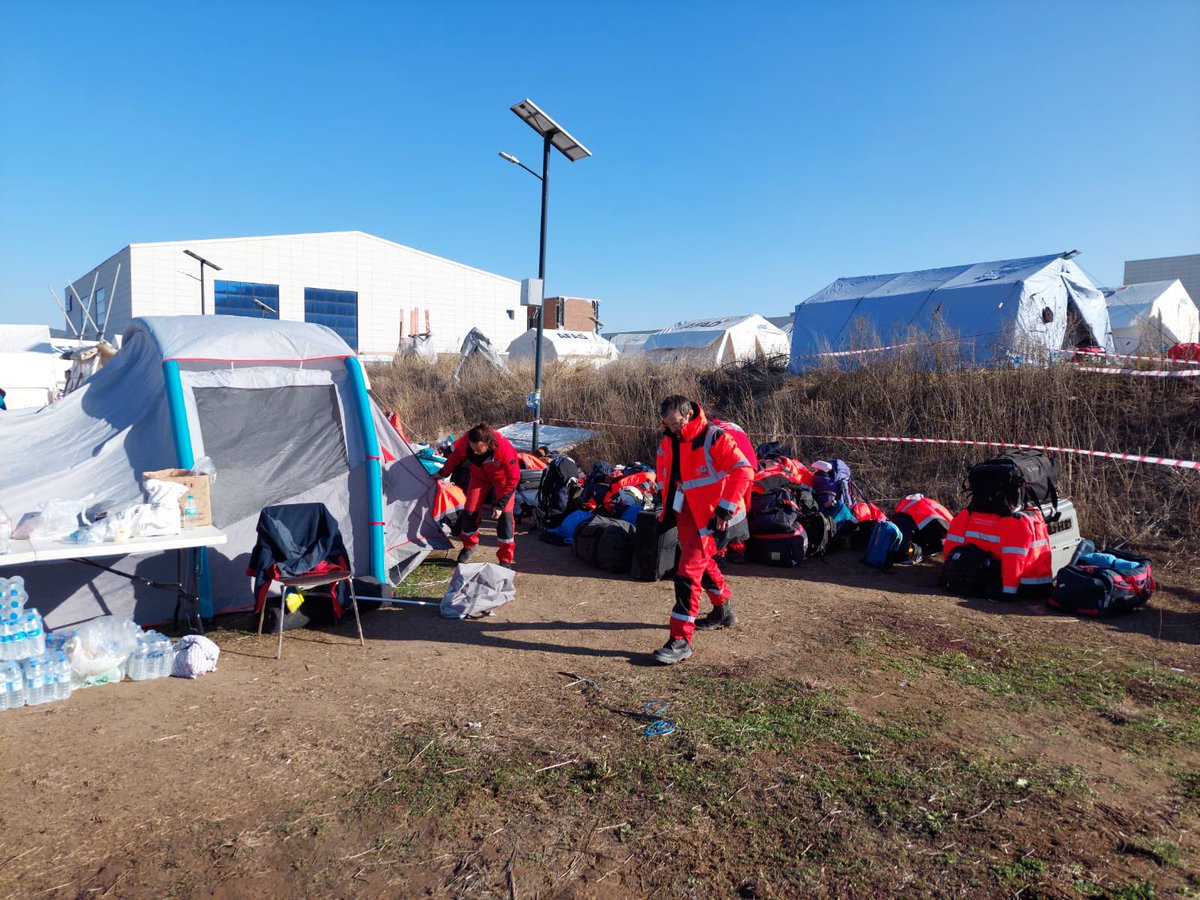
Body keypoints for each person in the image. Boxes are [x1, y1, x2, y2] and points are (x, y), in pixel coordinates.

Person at [652, 396, 754, 665]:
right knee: (701, 563)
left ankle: (680, 640)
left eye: (675, 423)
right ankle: (723, 610)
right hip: (685, 513)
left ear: (688, 415)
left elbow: (744, 470)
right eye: (666, 423)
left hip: (711, 520)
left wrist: (725, 508)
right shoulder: (669, 439)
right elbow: (663, 470)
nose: (671, 428)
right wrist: (663, 501)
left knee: (687, 573)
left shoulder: (713, 437)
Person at [435, 422, 521, 568]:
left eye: (478, 450)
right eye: (473, 449)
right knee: (469, 513)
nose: (475, 452)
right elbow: (455, 458)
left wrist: (500, 505)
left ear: (488, 444)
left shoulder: (504, 449)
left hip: (503, 479)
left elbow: (513, 479)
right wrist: (442, 473)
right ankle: (470, 545)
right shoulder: (467, 442)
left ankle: (505, 558)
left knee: (505, 518)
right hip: (479, 477)